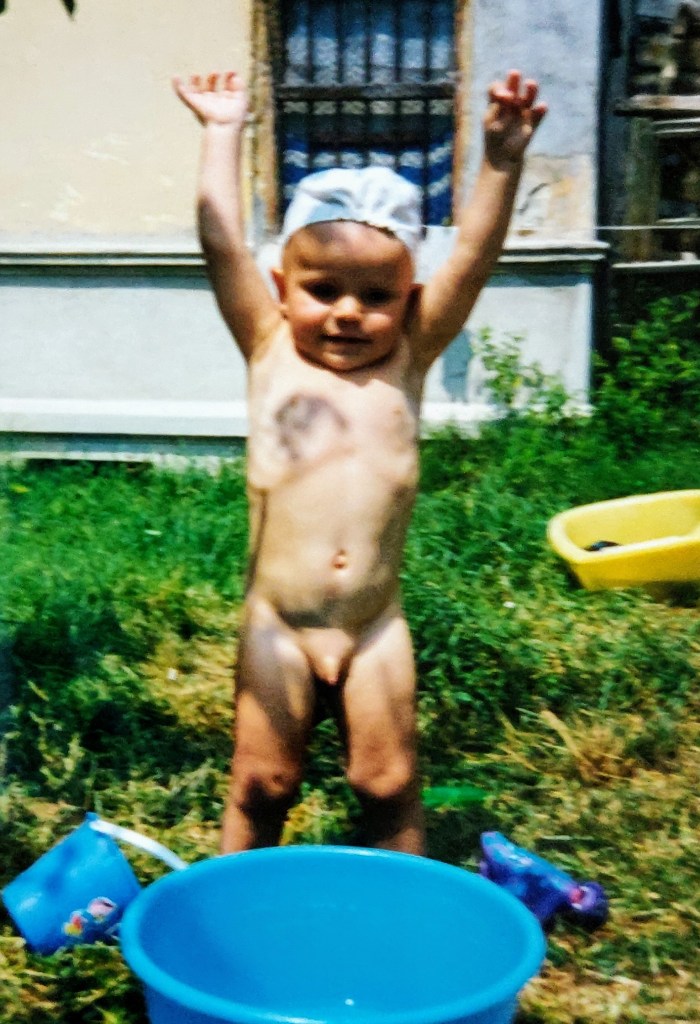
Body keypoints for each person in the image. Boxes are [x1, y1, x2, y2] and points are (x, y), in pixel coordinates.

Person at [173, 68, 547, 856]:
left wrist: (501, 161)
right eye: (323, 290)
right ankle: (234, 908)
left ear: (409, 298)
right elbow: (220, 241)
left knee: (387, 782)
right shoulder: (269, 347)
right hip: (278, 622)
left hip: (375, 624)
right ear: (283, 288)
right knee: (262, 783)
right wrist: (221, 131)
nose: (347, 312)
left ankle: (401, 913)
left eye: (376, 296)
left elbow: (473, 255)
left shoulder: (408, 357)